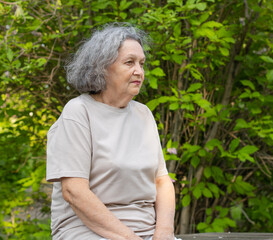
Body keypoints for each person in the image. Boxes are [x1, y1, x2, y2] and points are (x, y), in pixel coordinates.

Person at [46, 23, 177, 240]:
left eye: (142, 64)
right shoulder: (78, 112)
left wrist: (164, 233)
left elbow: (161, 182)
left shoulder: (143, 114)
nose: (139, 71)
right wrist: (130, 238)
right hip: (86, 231)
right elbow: (74, 192)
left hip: (146, 232)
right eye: (129, 62)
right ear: (102, 67)